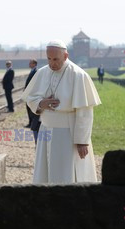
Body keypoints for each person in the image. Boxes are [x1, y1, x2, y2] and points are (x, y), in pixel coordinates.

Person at [22, 40, 102, 184]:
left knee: (67, 173)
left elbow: (85, 113)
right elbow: (30, 98)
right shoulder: (42, 73)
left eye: (56, 59)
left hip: (68, 134)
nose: (52, 63)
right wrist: (41, 103)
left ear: (65, 56)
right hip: (45, 130)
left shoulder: (78, 75)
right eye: (49, 59)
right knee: (44, 173)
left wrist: (82, 141)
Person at [25, 59, 38, 128]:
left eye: (31, 63)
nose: (29, 64)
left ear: (34, 64)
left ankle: (32, 123)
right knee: (28, 108)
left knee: (31, 109)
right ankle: (30, 122)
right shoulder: (32, 71)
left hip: (32, 93)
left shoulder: (36, 72)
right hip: (29, 93)